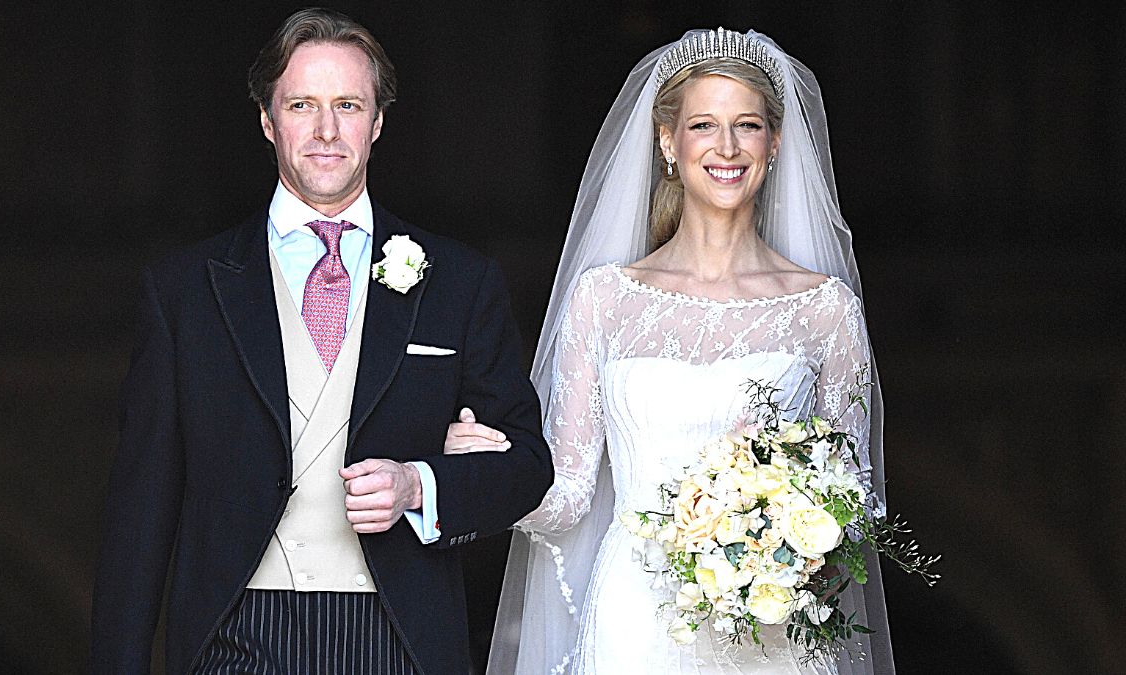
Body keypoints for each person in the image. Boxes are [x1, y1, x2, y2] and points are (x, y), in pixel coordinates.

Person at [89, 8, 552, 674]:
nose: (327, 130)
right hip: (235, 630)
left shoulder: (459, 282)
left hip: (397, 632)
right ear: (267, 119)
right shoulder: (185, 291)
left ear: (379, 123)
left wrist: (419, 483)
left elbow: (529, 465)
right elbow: (141, 509)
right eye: (303, 104)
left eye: (349, 105)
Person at [448, 28, 893, 673]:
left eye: (747, 126)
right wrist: (496, 470)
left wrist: (784, 542)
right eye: (704, 125)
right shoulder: (603, 300)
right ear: (667, 141)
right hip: (637, 623)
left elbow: (854, 503)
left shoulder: (824, 311)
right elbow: (570, 494)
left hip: (771, 632)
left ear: (774, 143)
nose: (728, 147)